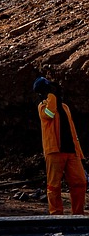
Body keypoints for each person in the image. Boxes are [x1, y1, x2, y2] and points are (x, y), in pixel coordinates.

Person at [34, 77, 86, 215]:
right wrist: (51, 96)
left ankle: (78, 214)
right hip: (54, 151)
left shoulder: (64, 107)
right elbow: (50, 115)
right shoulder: (43, 107)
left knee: (80, 182)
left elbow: (72, 131)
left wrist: (79, 152)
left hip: (71, 152)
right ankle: (56, 215)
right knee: (54, 186)